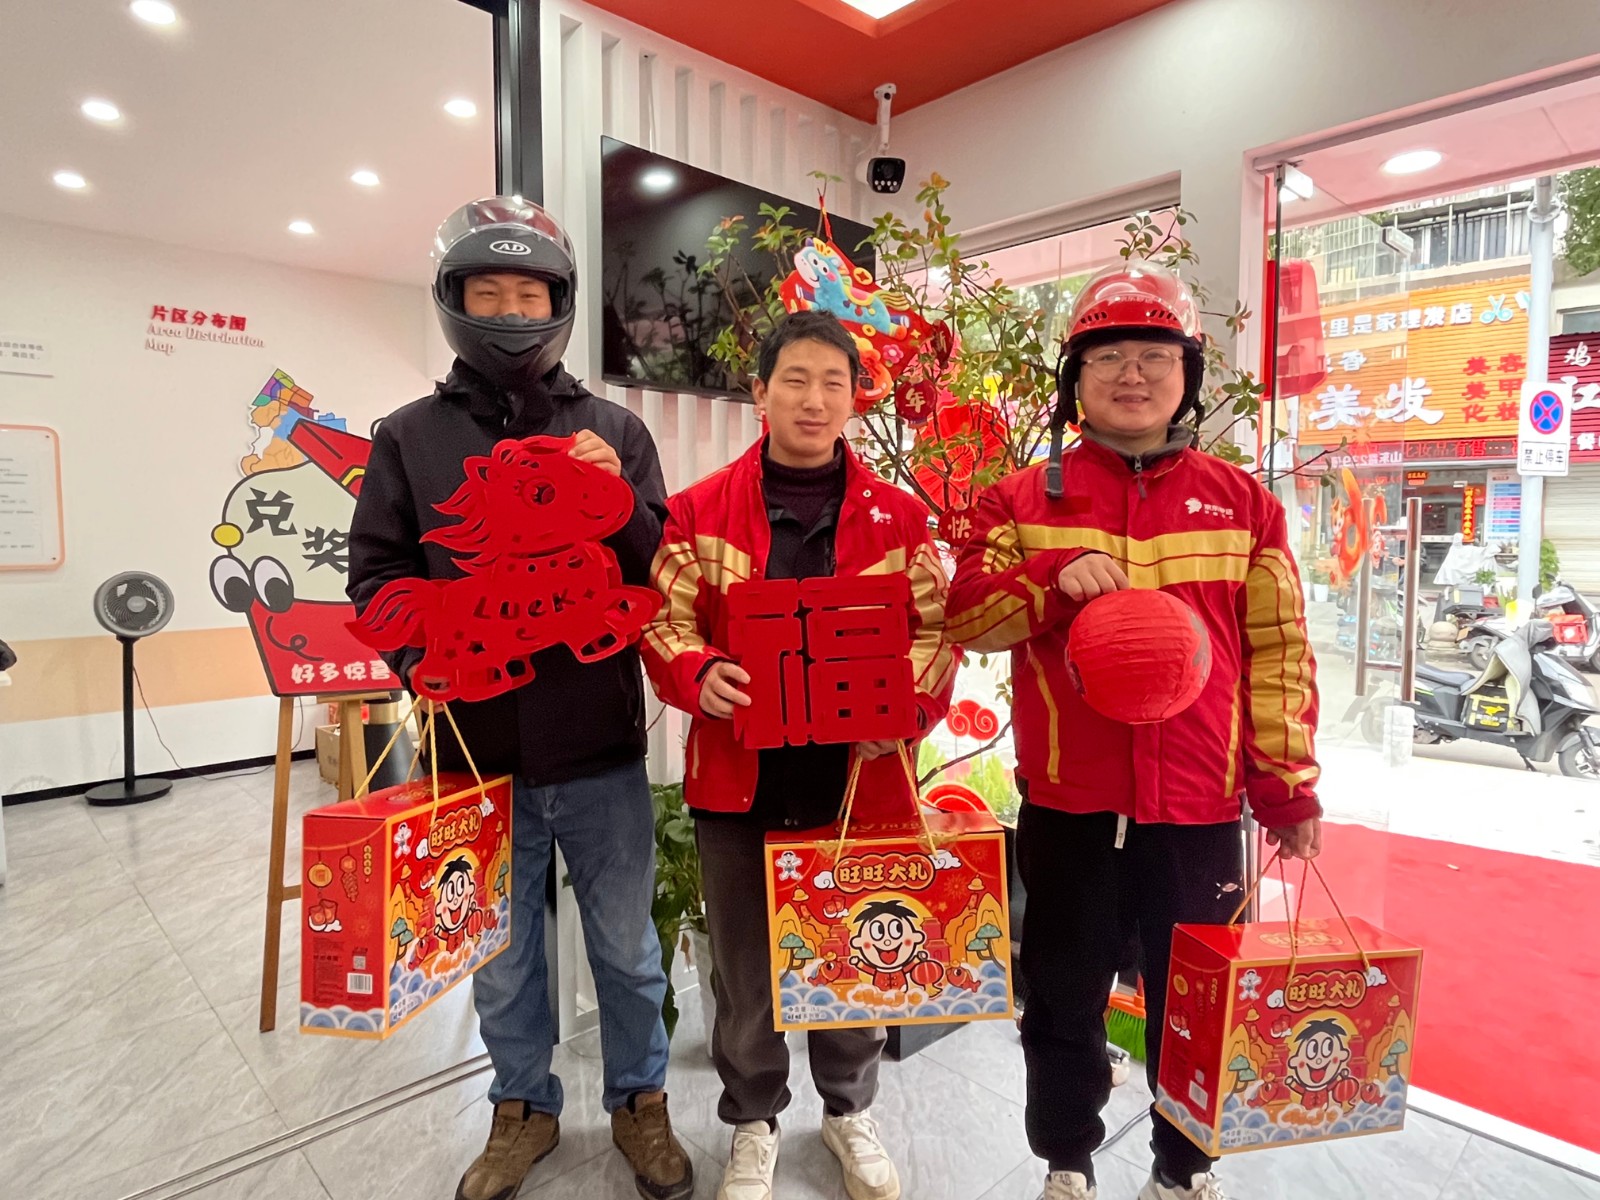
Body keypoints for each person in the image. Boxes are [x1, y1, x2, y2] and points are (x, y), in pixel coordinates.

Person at [946, 263, 1322, 1200]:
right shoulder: (1017, 500)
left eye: (1156, 355)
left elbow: (1279, 654)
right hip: (1069, 807)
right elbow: (967, 618)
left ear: (1187, 373)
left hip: (1200, 810)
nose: (1132, 373)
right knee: (1061, 999)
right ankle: (1065, 1159)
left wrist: (1287, 787)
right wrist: (1049, 583)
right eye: (1108, 354)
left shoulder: (1244, 504)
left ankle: (1183, 1168)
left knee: (1199, 1003)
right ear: (1074, 377)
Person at [348, 196, 692, 1200]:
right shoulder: (408, 437)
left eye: (528, 293)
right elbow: (375, 580)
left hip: (600, 750)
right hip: (470, 755)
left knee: (628, 951)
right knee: (498, 957)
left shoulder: (615, 429)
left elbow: (661, 573)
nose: (509, 311)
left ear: (560, 302)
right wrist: (427, 667)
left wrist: (617, 502)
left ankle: (640, 1100)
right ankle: (521, 1108)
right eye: (488, 291)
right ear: (453, 299)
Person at [640, 310, 959, 1200]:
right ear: (760, 392)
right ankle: (754, 1119)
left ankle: (849, 1111)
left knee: (854, 958)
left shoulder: (900, 518)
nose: (814, 400)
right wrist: (696, 671)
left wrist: (907, 709)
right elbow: (662, 621)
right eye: (795, 380)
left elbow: (936, 630)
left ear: (855, 399)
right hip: (738, 780)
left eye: (832, 384)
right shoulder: (697, 511)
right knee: (745, 974)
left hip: (856, 780)